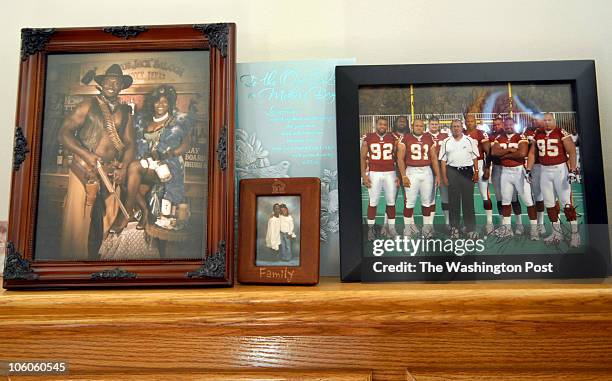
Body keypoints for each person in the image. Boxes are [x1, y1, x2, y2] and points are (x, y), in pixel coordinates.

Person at [59, 64, 136, 260]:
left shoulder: (126, 112)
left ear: (121, 87)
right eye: (109, 80)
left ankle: (99, 266)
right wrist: (85, 154)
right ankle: (74, 265)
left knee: (106, 220)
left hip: (109, 173)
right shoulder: (87, 105)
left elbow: (130, 144)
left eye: (117, 82)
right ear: (101, 84)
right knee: (78, 221)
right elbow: (64, 133)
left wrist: (125, 167)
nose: (113, 84)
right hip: (84, 170)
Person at [113, 85, 193, 232]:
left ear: (170, 104)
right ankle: (144, 211)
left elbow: (186, 145)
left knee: (133, 168)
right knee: (126, 175)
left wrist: (170, 153)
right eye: (157, 101)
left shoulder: (177, 122)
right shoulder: (144, 121)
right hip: (146, 163)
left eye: (165, 102)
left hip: (167, 166)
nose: (160, 105)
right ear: (152, 103)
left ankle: (126, 213)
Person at [528, 112, 579, 246]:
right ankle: (557, 233)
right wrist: (528, 169)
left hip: (560, 170)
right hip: (545, 171)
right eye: (544, 120)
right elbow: (532, 153)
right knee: (549, 204)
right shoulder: (537, 133)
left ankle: (575, 235)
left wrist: (572, 170)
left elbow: (572, 151)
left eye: (549, 120)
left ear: (554, 120)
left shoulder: (560, 132)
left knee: (566, 203)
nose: (547, 123)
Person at [491, 117, 539, 240]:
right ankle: (507, 230)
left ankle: (534, 229)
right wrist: (510, 150)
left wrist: (504, 153)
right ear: (504, 126)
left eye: (510, 125)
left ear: (514, 125)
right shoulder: (499, 138)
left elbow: (522, 153)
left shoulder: (520, 137)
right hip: (505, 173)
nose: (508, 127)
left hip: (519, 172)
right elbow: (494, 153)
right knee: (506, 202)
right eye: (506, 125)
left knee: (528, 201)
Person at [397, 119, 440, 238]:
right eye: (417, 125)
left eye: (421, 126)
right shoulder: (405, 138)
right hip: (412, 171)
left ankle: (426, 229)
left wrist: (438, 175)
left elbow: (434, 158)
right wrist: (404, 175)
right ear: (412, 126)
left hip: (427, 171)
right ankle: (407, 229)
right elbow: (400, 159)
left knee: (426, 203)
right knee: (410, 203)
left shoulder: (428, 138)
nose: (419, 127)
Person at [438, 119, 479, 239]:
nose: (456, 128)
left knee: (468, 201)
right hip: (452, 172)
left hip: (467, 171)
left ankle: (470, 228)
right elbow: (443, 160)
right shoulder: (446, 141)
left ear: (462, 127)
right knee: (453, 201)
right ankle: (454, 228)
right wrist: (444, 176)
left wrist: (476, 172)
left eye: (458, 126)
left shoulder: (469, 140)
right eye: (454, 126)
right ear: (451, 128)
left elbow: (475, 158)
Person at [361, 117, 400, 239]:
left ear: (387, 126)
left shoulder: (393, 137)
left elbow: (398, 158)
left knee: (391, 202)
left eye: (385, 124)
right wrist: (364, 175)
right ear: (376, 125)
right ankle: (370, 229)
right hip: (374, 173)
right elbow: (362, 158)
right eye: (380, 124)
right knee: (373, 202)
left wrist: (398, 175)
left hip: (390, 172)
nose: (382, 126)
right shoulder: (368, 137)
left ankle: (391, 229)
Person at [464, 114, 493, 233]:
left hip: (480, 164)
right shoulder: (462, 133)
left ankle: (489, 223)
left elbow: (488, 151)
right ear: (465, 122)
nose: (470, 123)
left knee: (484, 195)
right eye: (468, 121)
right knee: (466, 197)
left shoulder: (481, 133)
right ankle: (469, 224)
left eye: (472, 121)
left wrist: (487, 167)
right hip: (465, 166)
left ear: (475, 122)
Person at [426, 116, 449, 226]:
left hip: (443, 170)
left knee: (445, 197)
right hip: (430, 171)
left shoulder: (445, 136)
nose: (434, 126)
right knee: (431, 198)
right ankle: (430, 224)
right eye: (432, 124)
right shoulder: (425, 136)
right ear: (428, 125)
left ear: (438, 125)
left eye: (436, 124)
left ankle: (448, 222)